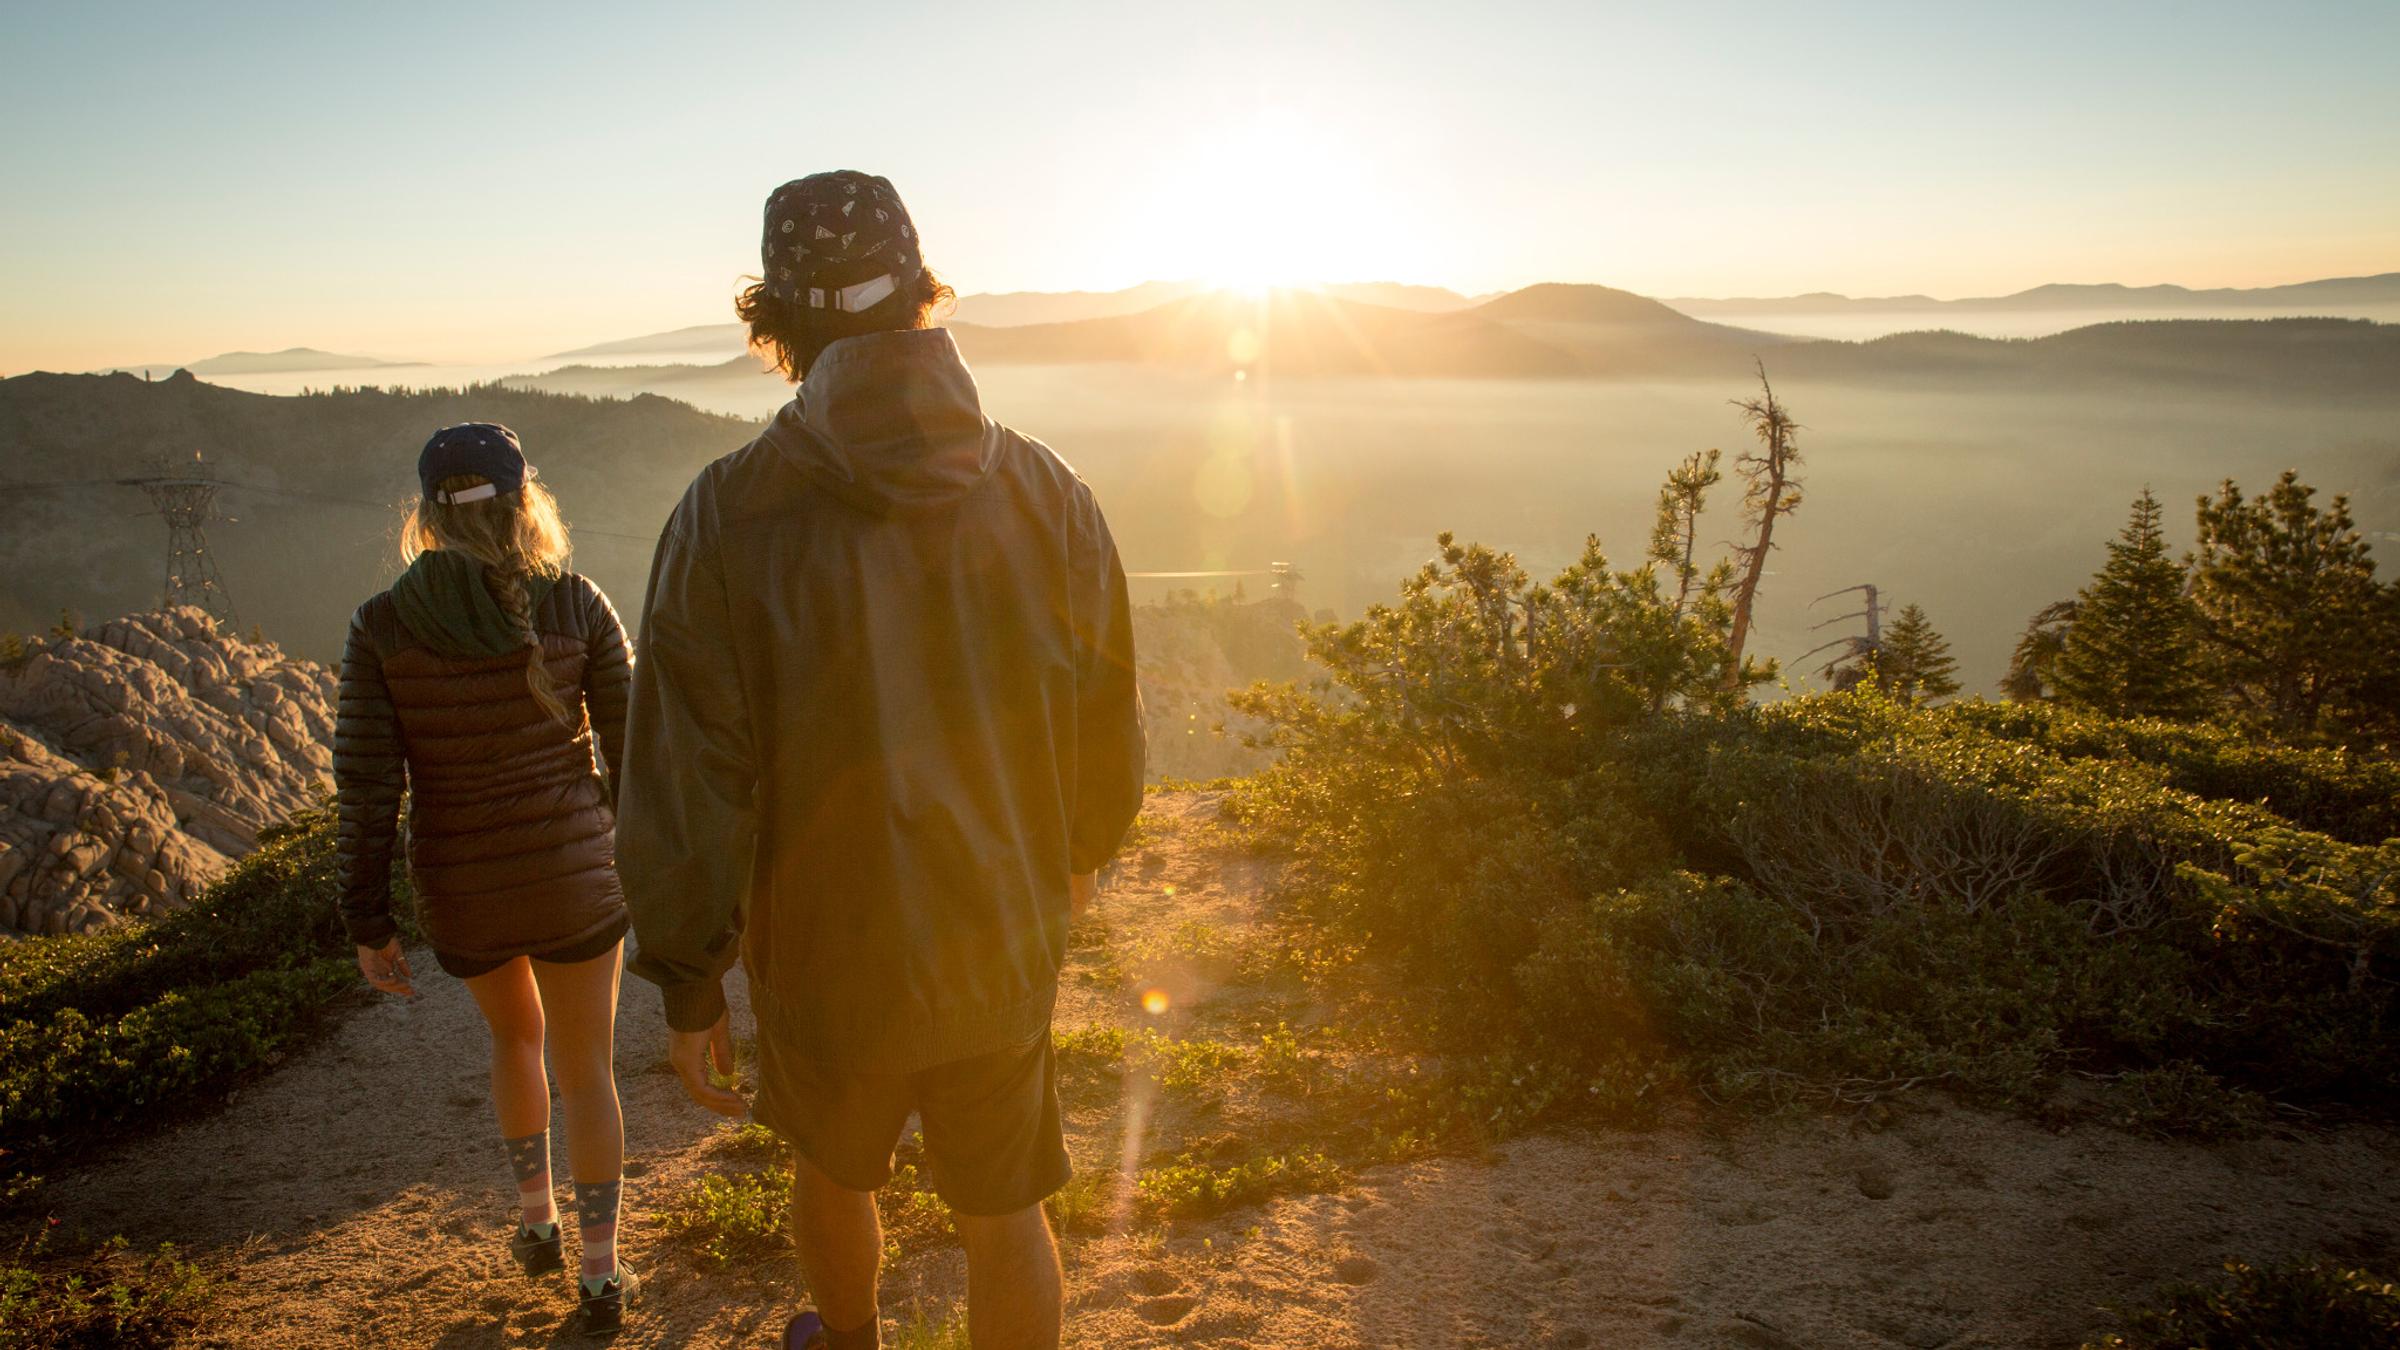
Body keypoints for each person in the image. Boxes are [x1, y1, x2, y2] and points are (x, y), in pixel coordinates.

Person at [618, 171, 1146, 1350]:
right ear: (920, 295)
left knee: (835, 1169)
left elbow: (687, 768)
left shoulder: (726, 512)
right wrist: (1081, 852)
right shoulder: (1047, 491)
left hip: (823, 942)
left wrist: (692, 976)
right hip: (999, 928)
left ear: (779, 321)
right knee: (1008, 1210)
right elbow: (1107, 699)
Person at [333, 423, 640, 1336]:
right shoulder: (577, 603)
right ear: (523, 502)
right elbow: (634, 760)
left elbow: (367, 785)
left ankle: (536, 1223)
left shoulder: (382, 624)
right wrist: (653, 876)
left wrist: (367, 917)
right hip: (577, 877)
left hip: (462, 882)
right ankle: (598, 1275)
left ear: (427, 514)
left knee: (515, 1043)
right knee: (586, 1071)